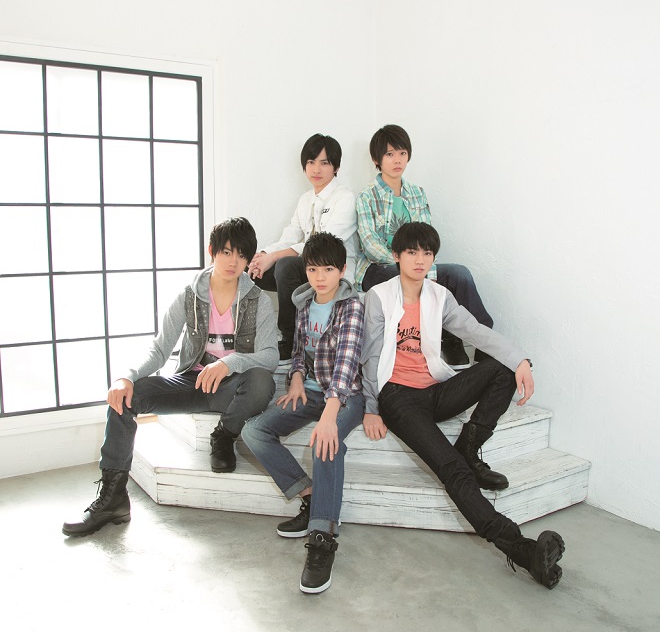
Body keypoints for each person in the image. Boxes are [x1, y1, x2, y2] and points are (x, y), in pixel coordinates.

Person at [360, 221, 565, 589]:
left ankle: (469, 448)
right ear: (396, 256)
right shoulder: (379, 296)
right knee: (453, 470)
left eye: (427, 253)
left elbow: (476, 331)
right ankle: (520, 548)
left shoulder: (439, 296)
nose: (420, 259)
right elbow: (370, 356)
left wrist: (520, 359)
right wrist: (371, 408)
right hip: (398, 397)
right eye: (412, 252)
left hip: (435, 389)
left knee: (501, 369)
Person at [62, 217, 278, 537]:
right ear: (212, 251)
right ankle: (113, 498)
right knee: (126, 398)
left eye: (242, 254)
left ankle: (224, 436)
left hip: (230, 388)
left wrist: (230, 363)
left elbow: (270, 356)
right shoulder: (190, 296)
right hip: (191, 382)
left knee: (262, 381)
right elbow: (161, 348)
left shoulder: (258, 301)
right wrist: (126, 377)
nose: (234, 261)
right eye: (226, 252)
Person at [242, 232, 364, 594]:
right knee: (253, 431)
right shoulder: (304, 303)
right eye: (313, 269)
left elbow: (347, 363)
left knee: (325, 443)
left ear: (342, 270)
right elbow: (298, 351)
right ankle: (311, 497)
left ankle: (322, 538)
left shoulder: (352, 306)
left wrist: (329, 416)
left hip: (346, 396)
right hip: (310, 391)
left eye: (328, 269)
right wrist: (295, 378)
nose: (320, 277)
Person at [355, 124, 493, 369]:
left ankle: (485, 341)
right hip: (378, 268)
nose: (397, 160)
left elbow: (426, 236)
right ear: (376, 159)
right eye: (389, 154)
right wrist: (405, 262)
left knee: (458, 274)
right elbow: (369, 244)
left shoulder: (416, 193)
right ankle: (448, 339)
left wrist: (418, 262)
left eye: (402, 153)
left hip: (414, 263)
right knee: (415, 276)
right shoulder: (366, 197)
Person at [247, 134, 359, 365]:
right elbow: (291, 234)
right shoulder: (306, 199)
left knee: (285, 265)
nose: (316, 169)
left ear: (336, 167)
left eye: (324, 163)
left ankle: (289, 340)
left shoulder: (345, 198)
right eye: (311, 162)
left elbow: (322, 245)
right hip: (306, 268)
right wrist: (264, 256)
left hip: (330, 269)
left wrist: (276, 256)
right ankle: (248, 337)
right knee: (251, 270)